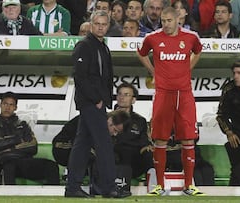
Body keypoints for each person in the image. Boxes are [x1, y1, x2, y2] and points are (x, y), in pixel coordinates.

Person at [136, 6, 205, 196]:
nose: (165, 24)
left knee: (188, 138)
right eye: (163, 21)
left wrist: (187, 68)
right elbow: (141, 53)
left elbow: (198, 51)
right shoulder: (153, 38)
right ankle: (159, 185)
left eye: (169, 20)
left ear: (177, 20)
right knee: (160, 139)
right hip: (163, 94)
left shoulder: (191, 37)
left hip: (184, 94)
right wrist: (153, 72)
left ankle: (189, 185)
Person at [65, 10, 126, 198]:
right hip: (90, 103)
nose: (100, 27)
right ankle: (109, 187)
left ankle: (73, 187)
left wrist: (105, 99)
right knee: (104, 143)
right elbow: (80, 77)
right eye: (97, 23)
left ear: (108, 26)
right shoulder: (84, 45)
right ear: (91, 24)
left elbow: (105, 76)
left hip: (97, 102)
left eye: (104, 24)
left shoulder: (103, 46)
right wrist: (97, 99)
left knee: (82, 144)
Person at [0, 91, 60, 185]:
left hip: (23, 160)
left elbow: (33, 147)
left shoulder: (23, 125)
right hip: (4, 161)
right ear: (0, 104)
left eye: (11, 105)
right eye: (5, 104)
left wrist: (9, 147)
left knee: (51, 165)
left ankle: (53, 197)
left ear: (15, 107)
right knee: (9, 166)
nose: (7, 107)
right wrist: (18, 140)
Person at [113, 82, 154, 180]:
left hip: (134, 160)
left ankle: (153, 184)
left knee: (149, 153)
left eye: (126, 95)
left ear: (133, 100)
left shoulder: (140, 120)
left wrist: (146, 147)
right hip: (113, 157)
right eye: (119, 94)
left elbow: (144, 142)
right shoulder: (107, 118)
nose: (122, 97)